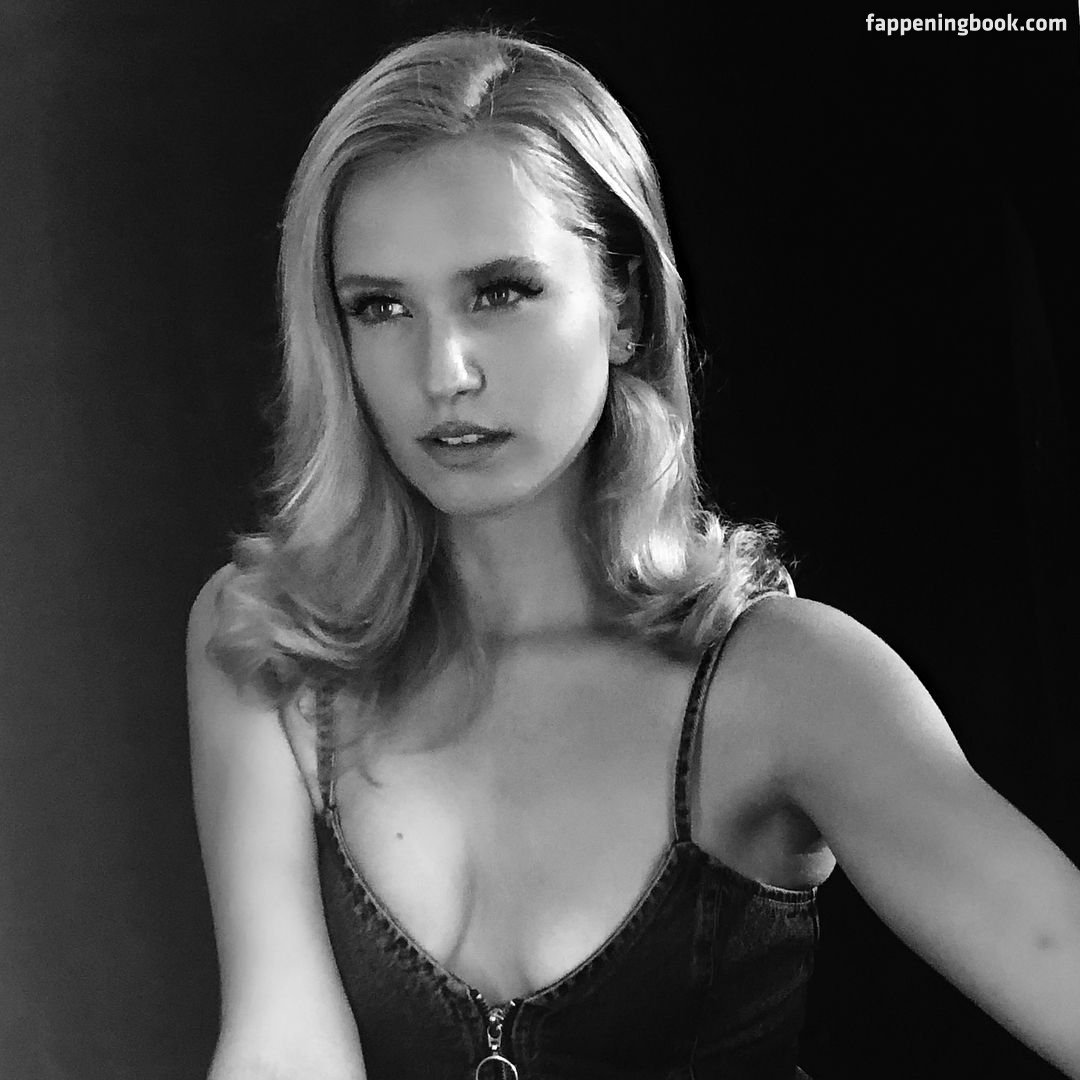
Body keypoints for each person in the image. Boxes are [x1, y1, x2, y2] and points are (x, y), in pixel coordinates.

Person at [186, 27, 1080, 1080]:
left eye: (500, 291)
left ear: (625, 305)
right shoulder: (272, 647)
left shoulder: (787, 682)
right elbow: (282, 1045)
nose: (444, 372)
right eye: (381, 308)